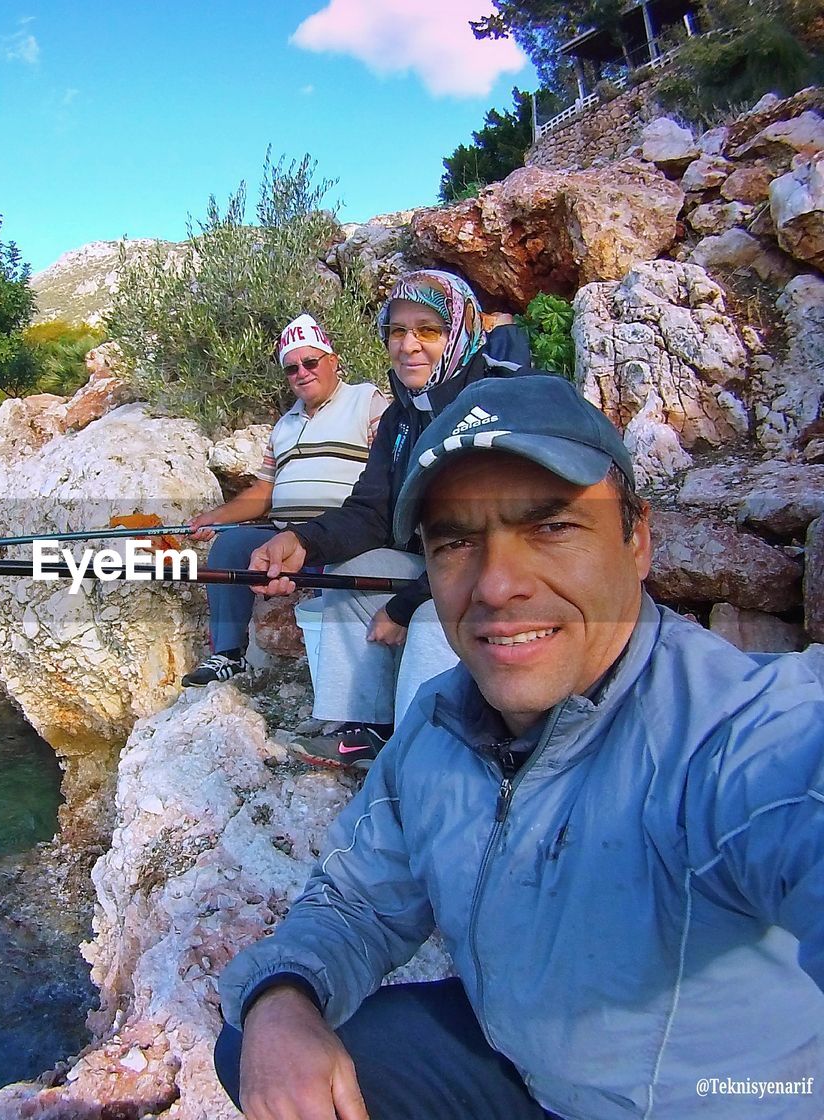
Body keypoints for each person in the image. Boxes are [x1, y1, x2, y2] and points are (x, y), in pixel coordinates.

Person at [216, 374, 824, 1119]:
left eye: (552, 527)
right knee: (259, 1039)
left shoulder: (740, 733)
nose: (497, 585)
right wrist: (284, 997)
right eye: (456, 543)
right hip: (524, 1067)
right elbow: (355, 903)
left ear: (637, 541)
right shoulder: (442, 724)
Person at [251, 270, 538, 765]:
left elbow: (491, 541)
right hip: (439, 568)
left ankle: (416, 761)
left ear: (461, 331)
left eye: (428, 329)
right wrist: (302, 542)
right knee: (350, 578)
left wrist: (404, 606)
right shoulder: (402, 417)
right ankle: (363, 729)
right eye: (397, 331)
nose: (408, 345)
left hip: (506, 573)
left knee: (431, 618)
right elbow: (371, 512)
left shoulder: (498, 402)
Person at [181, 313, 386, 687]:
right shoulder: (284, 425)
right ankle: (228, 654)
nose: (302, 373)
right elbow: (263, 492)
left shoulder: (366, 401)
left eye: (310, 362)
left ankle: (349, 681)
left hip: (341, 534)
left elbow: (387, 468)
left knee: (343, 569)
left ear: (333, 361)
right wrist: (216, 516)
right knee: (229, 546)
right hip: (281, 533)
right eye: (291, 368)